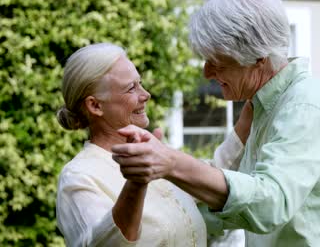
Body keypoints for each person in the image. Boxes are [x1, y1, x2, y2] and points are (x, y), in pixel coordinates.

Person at [112, 0, 320, 246]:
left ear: (258, 57)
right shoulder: (265, 107)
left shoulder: (305, 106)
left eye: (217, 61)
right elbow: (235, 208)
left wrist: (172, 163)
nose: (206, 73)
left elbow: (271, 203)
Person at [55, 42, 252, 246]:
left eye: (140, 83)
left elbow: (208, 175)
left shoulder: (154, 154)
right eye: (131, 88)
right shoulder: (78, 177)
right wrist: (137, 181)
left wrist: (253, 105)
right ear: (95, 105)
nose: (146, 94)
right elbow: (104, 244)